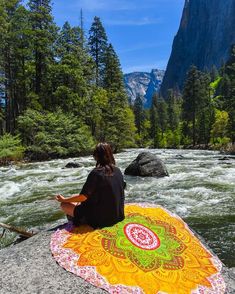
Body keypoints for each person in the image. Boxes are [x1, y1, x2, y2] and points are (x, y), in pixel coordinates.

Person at [55, 142, 125, 229]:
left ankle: (79, 221)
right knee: (74, 198)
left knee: (64, 205)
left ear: (96, 156)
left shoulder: (96, 173)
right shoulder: (118, 170)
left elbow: (83, 197)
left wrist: (64, 199)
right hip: (118, 216)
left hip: (101, 220)